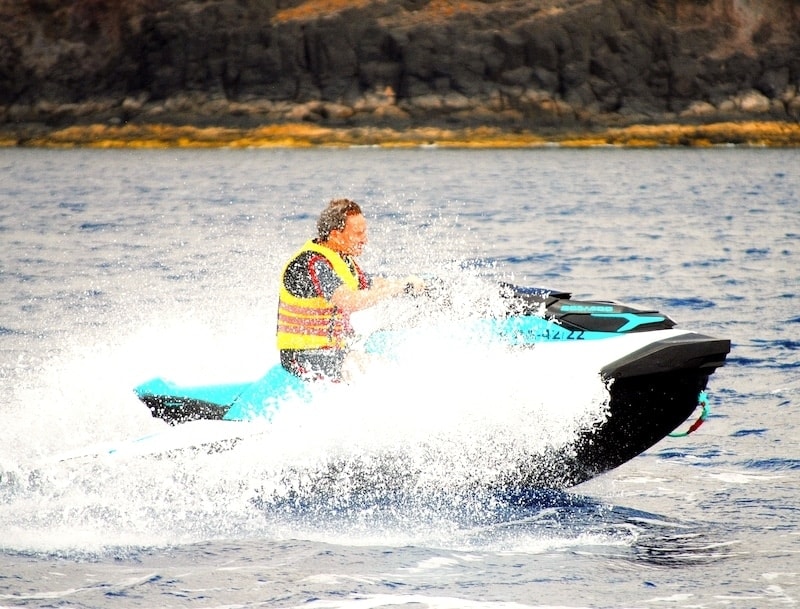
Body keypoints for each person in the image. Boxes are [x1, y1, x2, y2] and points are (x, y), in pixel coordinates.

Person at [276, 198, 423, 381]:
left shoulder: (342, 259)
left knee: (389, 340)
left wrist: (408, 286)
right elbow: (349, 301)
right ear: (336, 235)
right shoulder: (313, 264)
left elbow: (372, 284)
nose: (365, 239)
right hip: (302, 357)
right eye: (358, 233)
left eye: (365, 232)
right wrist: (396, 289)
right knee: (370, 368)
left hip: (334, 352)